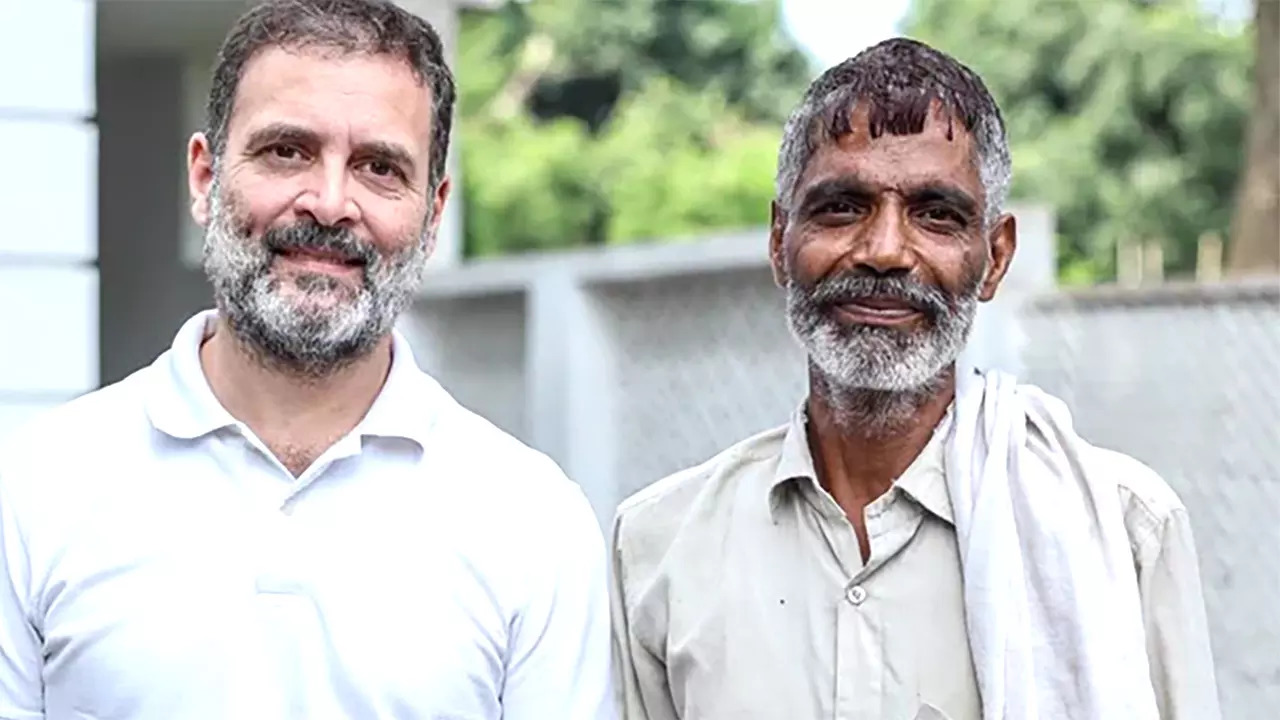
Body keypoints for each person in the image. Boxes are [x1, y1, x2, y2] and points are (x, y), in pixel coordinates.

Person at [0, 1, 613, 718]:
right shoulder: (33, 491)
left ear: (434, 211)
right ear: (205, 178)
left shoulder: (533, 523)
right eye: (286, 150)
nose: (328, 203)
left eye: (379, 167)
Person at [610, 38, 1219, 720]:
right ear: (780, 242)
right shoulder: (658, 547)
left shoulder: (1122, 528)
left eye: (937, 214)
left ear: (994, 258)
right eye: (842, 206)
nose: (885, 251)